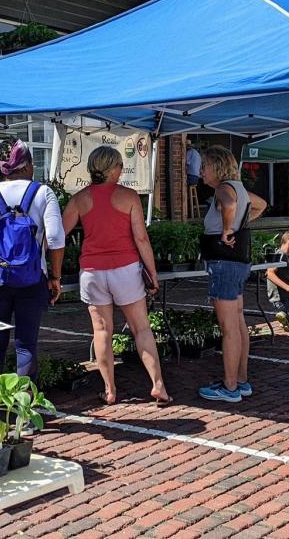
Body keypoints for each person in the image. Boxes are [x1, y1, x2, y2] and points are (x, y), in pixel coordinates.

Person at [62, 146, 169, 405]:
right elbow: (141, 238)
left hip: (93, 272)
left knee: (101, 331)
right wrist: (152, 273)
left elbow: (58, 236)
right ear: (114, 168)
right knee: (141, 329)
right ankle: (158, 386)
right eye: (120, 165)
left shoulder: (80, 198)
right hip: (126, 269)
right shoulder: (129, 197)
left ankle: (110, 390)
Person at [0, 139, 66, 380]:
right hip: (32, 279)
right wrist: (55, 276)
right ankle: (26, 414)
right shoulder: (43, 193)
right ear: (28, 165)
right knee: (25, 346)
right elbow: (55, 239)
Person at [195, 146, 268, 403]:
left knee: (229, 328)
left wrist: (227, 229)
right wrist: (242, 222)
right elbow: (260, 204)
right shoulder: (238, 186)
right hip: (237, 262)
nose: (201, 171)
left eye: (204, 165)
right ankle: (241, 380)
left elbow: (229, 202)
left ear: (216, 166)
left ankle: (229, 386)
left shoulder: (224, 188)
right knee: (237, 323)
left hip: (224, 262)